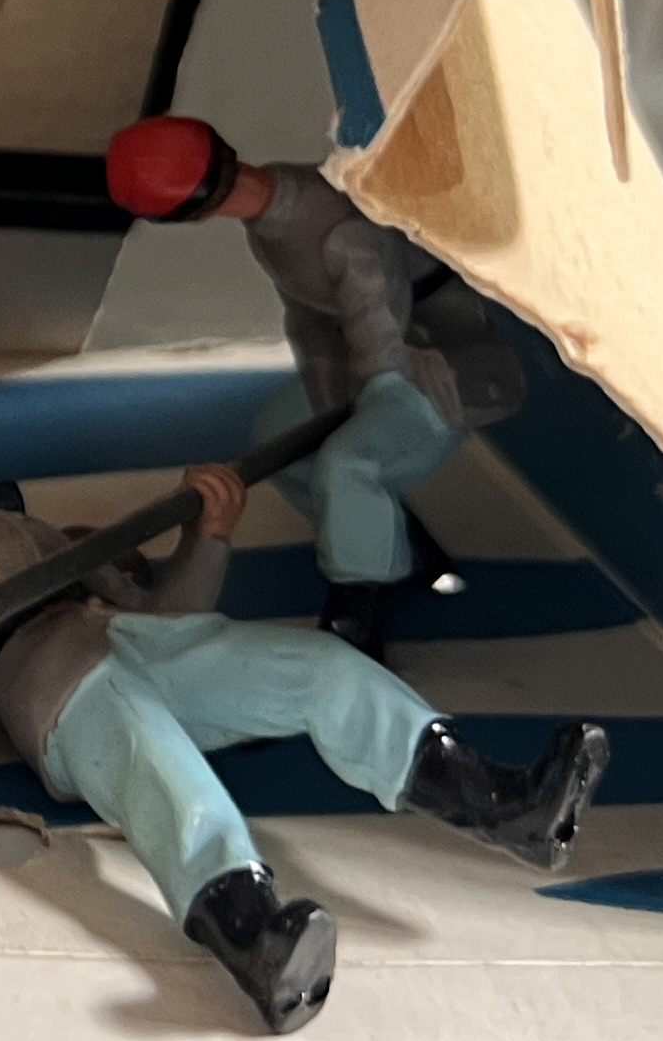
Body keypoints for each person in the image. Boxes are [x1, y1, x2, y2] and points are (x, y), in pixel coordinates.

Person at [0, 371, 607, 1032]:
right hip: (56, 685)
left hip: (137, 640)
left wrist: (210, 537)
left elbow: (170, 616)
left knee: (321, 669)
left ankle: (508, 806)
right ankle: (257, 942)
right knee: (173, 784)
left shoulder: (31, 529)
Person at [102, 114, 525, 657]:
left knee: (347, 463)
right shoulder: (272, 221)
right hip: (368, 360)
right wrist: (328, 395)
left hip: (441, 358)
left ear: (189, 214)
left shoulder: (333, 224)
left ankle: (357, 616)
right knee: (278, 437)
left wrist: (363, 408)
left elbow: (381, 322)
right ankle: (382, 535)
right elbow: (308, 318)